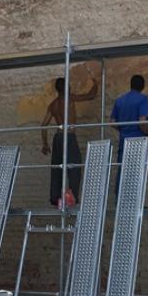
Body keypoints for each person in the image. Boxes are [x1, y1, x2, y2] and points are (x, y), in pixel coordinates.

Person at [41, 75, 98, 207]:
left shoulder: (53, 105)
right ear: (67, 87)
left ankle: (55, 197)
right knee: (74, 167)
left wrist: (45, 144)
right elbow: (91, 95)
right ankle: (73, 197)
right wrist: (96, 84)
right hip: (69, 136)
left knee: (57, 168)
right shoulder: (70, 98)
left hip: (58, 137)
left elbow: (43, 125)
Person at [110, 74, 148, 192]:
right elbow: (142, 121)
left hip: (123, 139)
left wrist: (123, 129)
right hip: (138, 140)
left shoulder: (119, 101)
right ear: (143, 86)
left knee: (122, 171)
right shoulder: (143, 99)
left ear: (131, 85)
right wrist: (147, 134)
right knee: (136, 172)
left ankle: (119, 199)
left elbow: (112, 122)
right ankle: (134, 200)